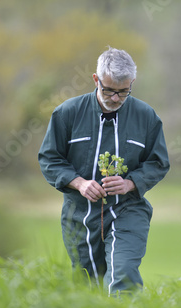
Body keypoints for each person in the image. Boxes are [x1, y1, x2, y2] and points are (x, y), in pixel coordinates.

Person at [38, 47, 170, 294]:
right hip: (80, 215)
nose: (116, 98)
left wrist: (130, 183)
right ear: (96, 80)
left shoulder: (146, 117)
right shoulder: (67, 113)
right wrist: (79, 183)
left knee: (123, 274)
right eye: (109, 90)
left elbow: (158, 162)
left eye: (124, 91)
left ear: (132, 83)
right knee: (88, 285)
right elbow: (49, 159)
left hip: (128, 209)